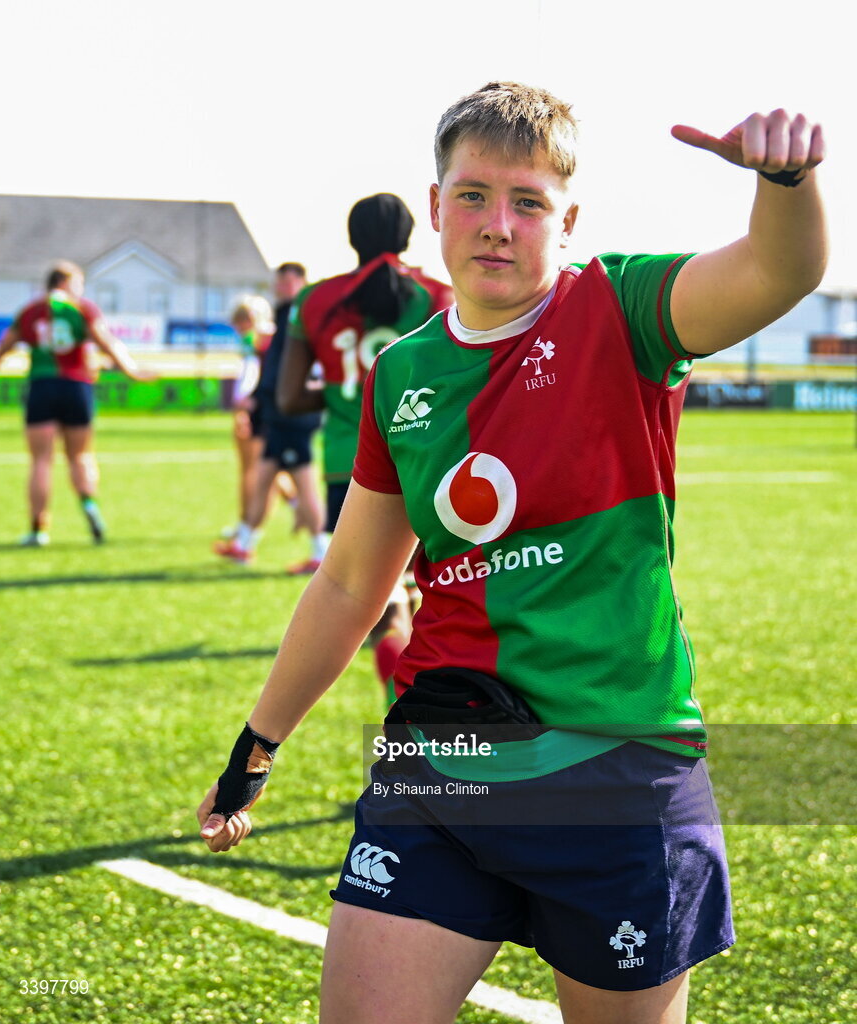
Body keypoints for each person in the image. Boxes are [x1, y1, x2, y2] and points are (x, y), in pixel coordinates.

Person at [196, 83, 827, 1024]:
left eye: (527, 202)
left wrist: (785, 182)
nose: (498, 225)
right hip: (440, 761)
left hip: (614, 771)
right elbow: (349, 584)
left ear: (567, 219)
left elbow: (779, 274)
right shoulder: (402, 371)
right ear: (437, 204)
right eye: (474, 196)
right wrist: (260, 743)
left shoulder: (624, 308)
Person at [276, 193, 453, 693]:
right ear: (410, 236)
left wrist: (338, 392)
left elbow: (289, 398)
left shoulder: (313, 300)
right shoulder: (439, 294)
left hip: (348, 468)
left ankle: (402, 677)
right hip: (432, 463)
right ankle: (424, 693)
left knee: (376, 599)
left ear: (351, 239)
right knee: (430, 590)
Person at [0, 260, 155, 545]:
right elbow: (106, 341)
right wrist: (131, 370)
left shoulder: (31, 311)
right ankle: (89, 506)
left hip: (42, 386)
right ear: (67, 283)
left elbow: (4, 345)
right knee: (80, 455)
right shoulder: (81, 308)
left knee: (41, 460)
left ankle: (38, 530)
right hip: (76, 386)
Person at [215, 265, 327, 568]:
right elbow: (272, 371)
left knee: (304, 483)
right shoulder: (284, 317)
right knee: (263, 479)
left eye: (292, 280)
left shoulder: (306, 318)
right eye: (281, 280)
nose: (285, 286)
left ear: (303, 284)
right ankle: (244, 544)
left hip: (292, 415)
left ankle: (321, 550)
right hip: (276, 415)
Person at [219, 294, 274, 546]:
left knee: (252, 471)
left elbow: (250, 374)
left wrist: (242, 405)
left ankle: (247, 526)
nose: (241, 325)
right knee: (274, 468)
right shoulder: (271, 336)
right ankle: (249, 525)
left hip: (257, 408)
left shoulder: (256, 340)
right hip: (270, 408)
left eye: (245, 319)